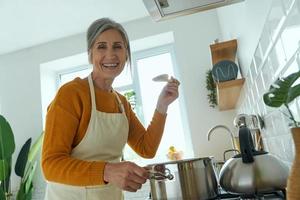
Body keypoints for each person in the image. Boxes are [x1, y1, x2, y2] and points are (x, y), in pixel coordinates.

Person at [41, 18, 180, 200]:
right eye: (101, 47)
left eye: (117, 46)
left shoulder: (121, 103)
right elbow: (51, 165)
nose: (111, 54)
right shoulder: (71, 94)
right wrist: (108, 171)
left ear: (126, 54)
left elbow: (146, 149)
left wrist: (162, 105)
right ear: (90, 54)